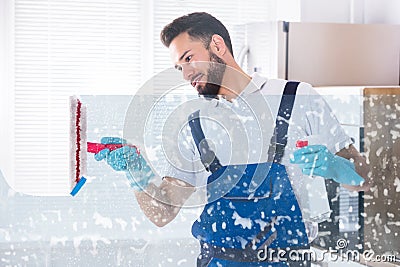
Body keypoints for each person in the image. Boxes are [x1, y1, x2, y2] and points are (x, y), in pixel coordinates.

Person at [94, 12, 370, 267]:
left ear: (217, 45)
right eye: (179, 68)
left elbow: (364, 180)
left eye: (189, 58)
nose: (186, 74)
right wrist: (137, 171)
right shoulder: (194, 123)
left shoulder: (296, 97)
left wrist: (335, 166)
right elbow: (162, 213)